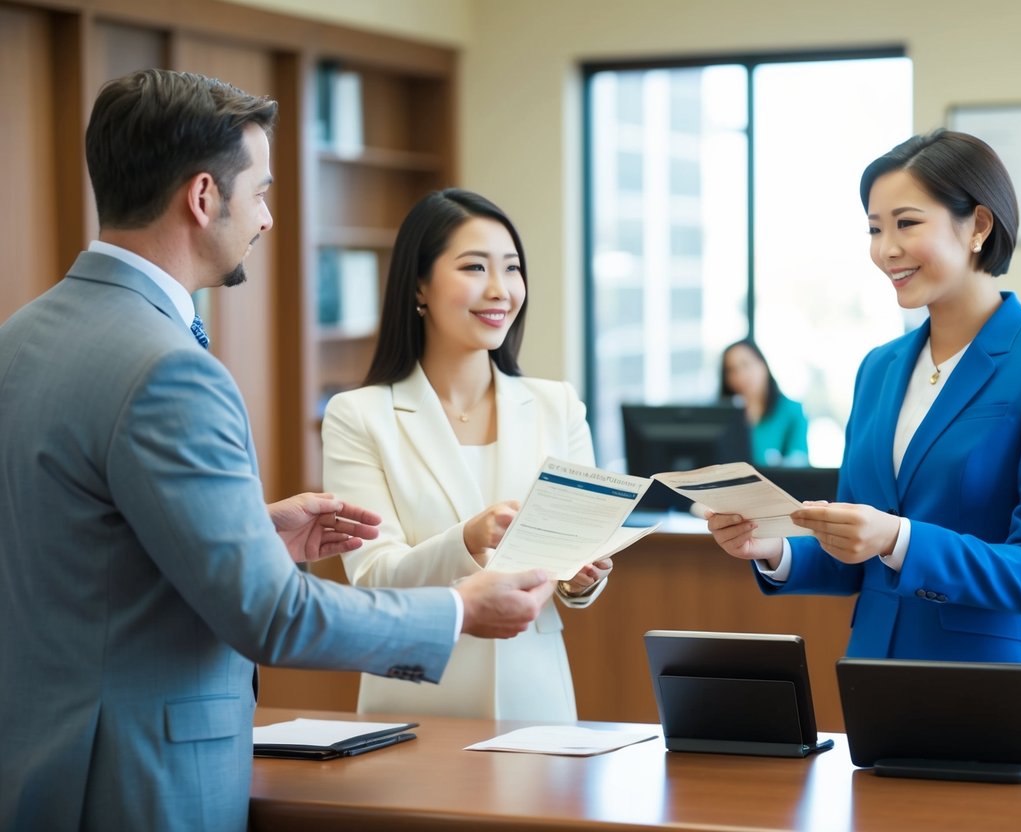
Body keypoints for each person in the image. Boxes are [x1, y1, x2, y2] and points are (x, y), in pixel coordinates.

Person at [0, 70, 553, 832]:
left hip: (35, 761)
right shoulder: (172, 371)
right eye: (259, 192)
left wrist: (249, 530)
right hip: (134, 778)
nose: (266, 217)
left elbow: (76, 540)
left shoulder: (18, 339)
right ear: (202, 198)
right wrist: (458, 609)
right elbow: (272, 617)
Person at [706, 130, 1021, 723]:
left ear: (978, 226)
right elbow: (855, 551)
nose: (886, 249)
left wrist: (899, 539)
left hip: (996, 698)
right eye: (874, 228)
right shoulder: (879, 370)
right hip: (876, 689)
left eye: (906, 223)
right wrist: (774, 551)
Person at [322, 188, 611, 722]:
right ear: (419, 286)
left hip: (537, 699)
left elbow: (577, 576)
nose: (500, 290)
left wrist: (580, 577)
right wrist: (466, 540)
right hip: (416, 698)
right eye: (475, 267)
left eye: (512, 269)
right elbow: (372, 580)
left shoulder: (558, 405)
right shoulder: (358, 415)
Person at [719, 338, 809, 466]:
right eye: (731, 370)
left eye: (746, 365)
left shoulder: (792, 410)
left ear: (763, 365)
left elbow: (799, 464)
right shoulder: (725, 418)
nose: (740, 375)